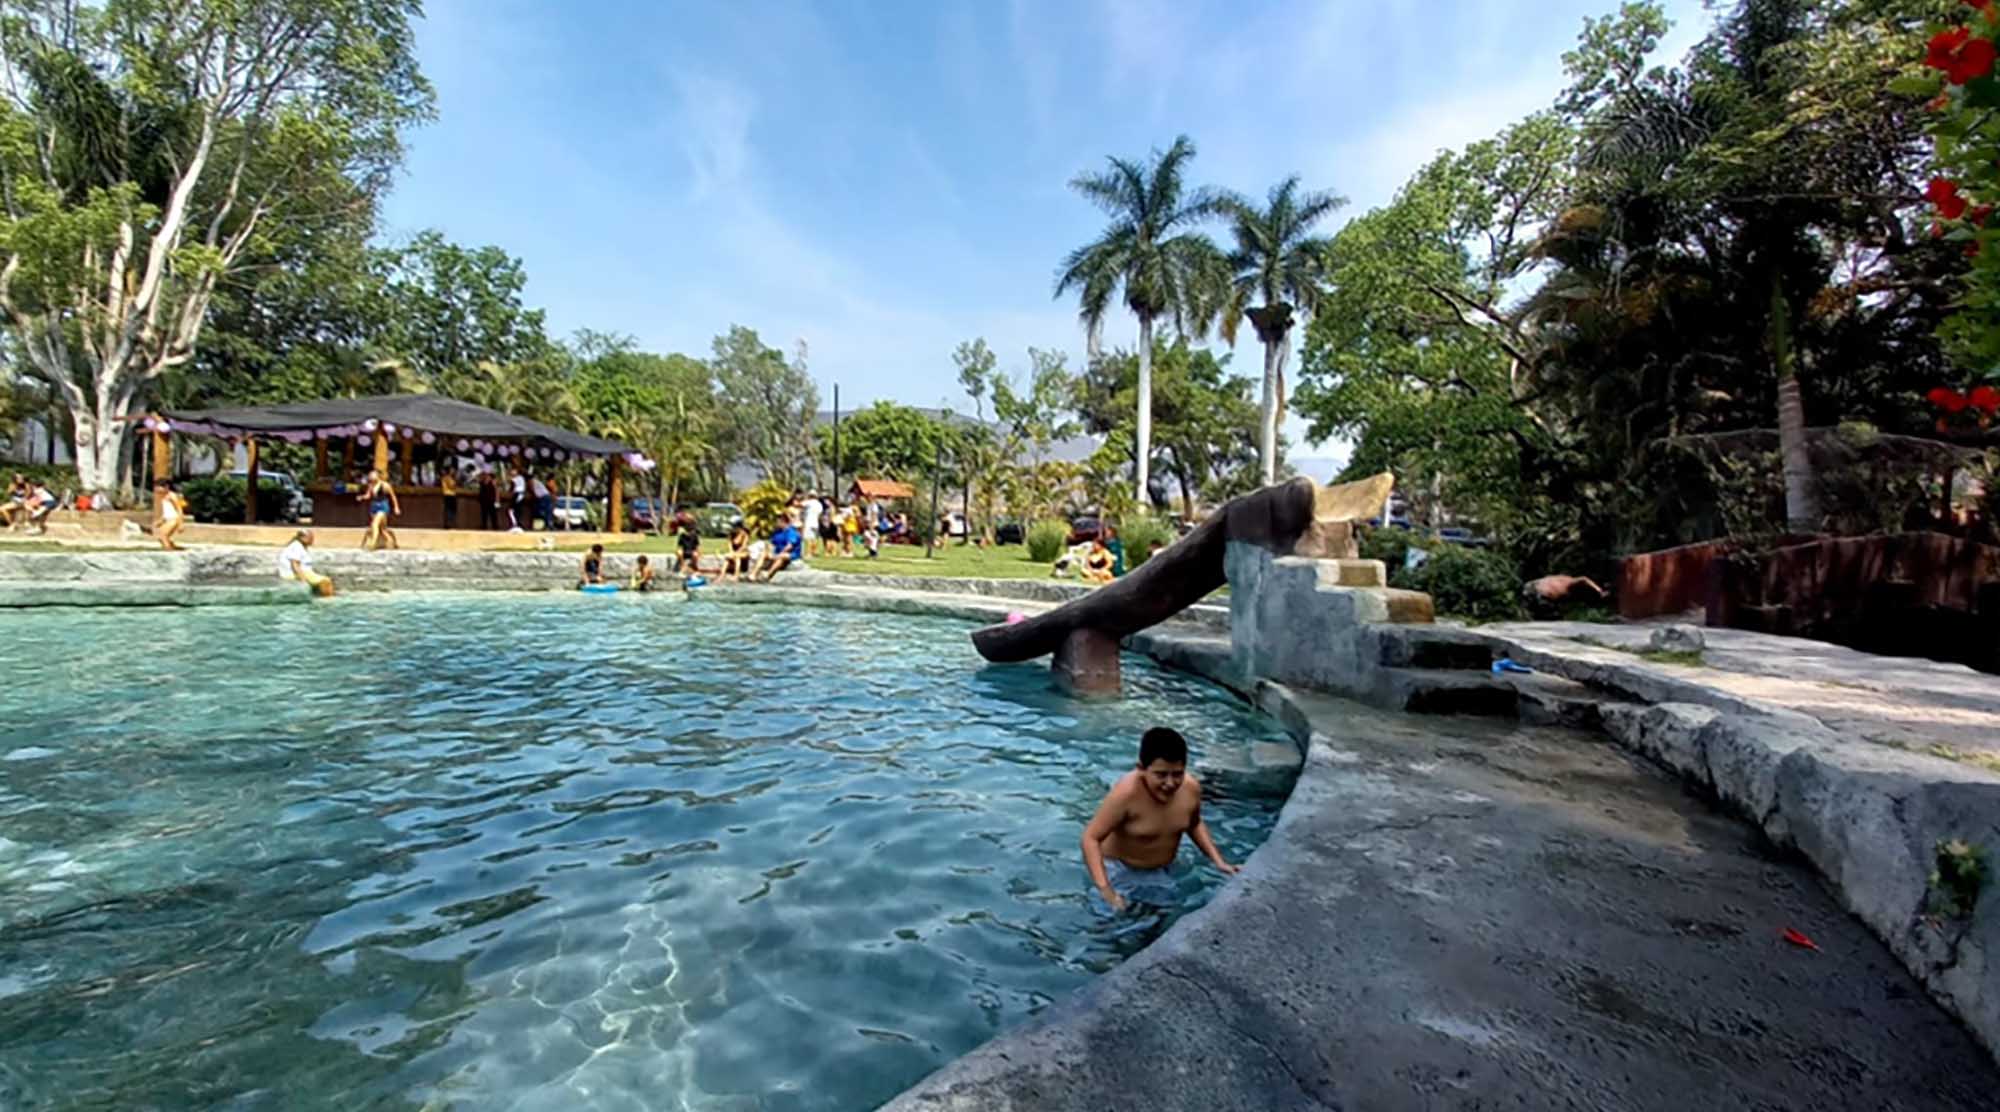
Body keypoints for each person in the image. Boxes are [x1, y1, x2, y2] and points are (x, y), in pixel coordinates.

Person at [1081, 726, 1237, 914]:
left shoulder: (1191, 789)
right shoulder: (1126, 795)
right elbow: (1090, 838)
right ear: (1141, 769)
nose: (1170, 784)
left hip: (1162, 870)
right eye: (1161, 775)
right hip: (1118, 870)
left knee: (1160, 921)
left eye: (1177, 774)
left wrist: (1218, 862)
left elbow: (1194, 824)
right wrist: (1106, 890)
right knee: (1113, 927)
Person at [277, 528, 335, 596]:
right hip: (292, 574)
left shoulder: (300, 546)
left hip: (303, 572)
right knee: (325, 581)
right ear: (303, 538)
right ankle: (327, 600)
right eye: (310, 537)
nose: (312, 540)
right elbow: (295, 565)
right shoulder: (296, 547)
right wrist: (303, 580)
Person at [358, 469, 400, 550]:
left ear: (378, 476)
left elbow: (393, 496)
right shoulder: (371, 485)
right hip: (374, 506)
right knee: (383, 529)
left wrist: (396, 507)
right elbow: (368, 495)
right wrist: (362, 497)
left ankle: (373, 544)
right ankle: (392, 543)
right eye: (370, 475)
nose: (371, 476)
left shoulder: (385, 485)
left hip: (382, 506)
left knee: (374, 524)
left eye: (372, 475)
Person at [755, 515, 804, 581]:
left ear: (783, 522)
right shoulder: (777, 532)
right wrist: (769, 551)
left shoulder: (792, 532)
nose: (776, 523)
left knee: (781, 557)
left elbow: (789, 546)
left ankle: (768, 575)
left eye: (778, 522)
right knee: (763, 554)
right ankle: (753, 574)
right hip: (778, 552)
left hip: (792, 554)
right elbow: (771, 543)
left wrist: (778, 555)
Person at [155, 480, 187, 550]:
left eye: (158, 487)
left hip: (173, 519)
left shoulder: (172, 496)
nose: (156, 489)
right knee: (161, 537)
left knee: (163, 536)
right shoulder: (163, 497)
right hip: (168, 519)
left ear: (166, 487)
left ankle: (169, 552)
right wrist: (161, 520)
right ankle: (176, 549)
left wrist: (180, 523)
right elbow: (167, 511)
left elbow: (179, 509)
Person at [801, 492, 824, 558]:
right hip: (816, 522)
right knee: (814, 538)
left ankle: (809, 553)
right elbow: (820, 513)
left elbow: (800, 504)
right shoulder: (819, 504)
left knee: (808, 538)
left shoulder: (809, 502)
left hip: (808, 522)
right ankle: (814, 551)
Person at [509, 466, 528, 532]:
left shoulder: (515, 479)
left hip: (517, 494)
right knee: (517, 510)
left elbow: (512, 487)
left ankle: (515, 525)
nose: (511, 472)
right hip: (521, 494)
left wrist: (510, 492)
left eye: (513, 470)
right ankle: (518, 524)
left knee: (511, 510)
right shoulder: (522, 478)